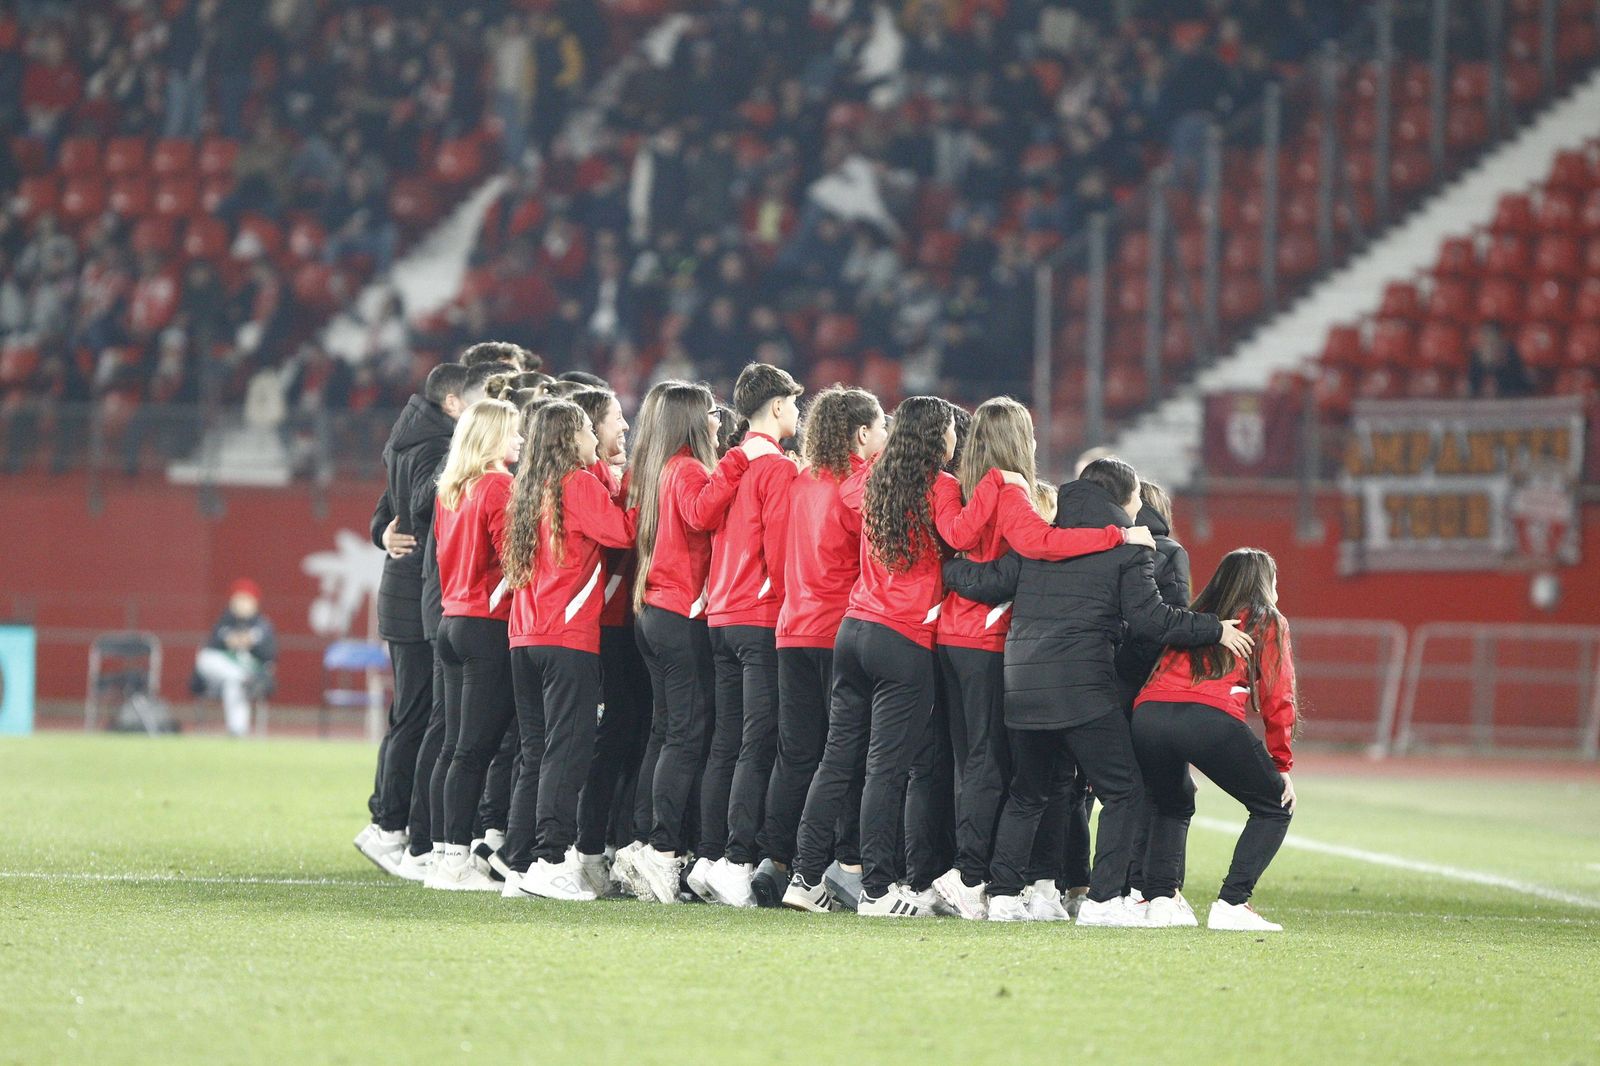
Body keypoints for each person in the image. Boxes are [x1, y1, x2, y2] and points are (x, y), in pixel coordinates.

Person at [783, 398, 1126, 917]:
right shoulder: (944, 487)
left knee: (838, 760)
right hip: (905, 635)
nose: (953, 441)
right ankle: (880, 889)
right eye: (947, 431)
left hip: (854, 628)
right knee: (892, 768)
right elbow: (962, 535)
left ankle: (805, 875)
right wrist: (999, 483)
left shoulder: (872, 481)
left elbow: (847, 494)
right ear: (935, 439)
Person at [941, 457, 1253, 925]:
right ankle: (1104, 900)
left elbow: (984, 582)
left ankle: (1004, 895)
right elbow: (1152, 618)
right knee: (1123, 790)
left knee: (1028, 793)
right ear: (1124, 501)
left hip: (1022, 687)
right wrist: (1213, 629)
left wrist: (945, 567)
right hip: (1082, 689)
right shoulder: (1128, 549)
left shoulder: (1039, 543)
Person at [931, 397, 1141, 922]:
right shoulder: (1008, 488)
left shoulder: (964, 489)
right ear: (1018, 439)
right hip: (987, 641)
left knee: (970, 763)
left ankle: (977, 874)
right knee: (990, 767)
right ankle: (969, 876)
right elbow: (1040, 544)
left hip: (951, 634)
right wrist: (1116, 536)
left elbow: (956, 544)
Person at [612, 383, 774, 904]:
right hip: (678, 614)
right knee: (684, 736)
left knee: (665, 734)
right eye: (708, 413)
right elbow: (702, 513)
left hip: (655, 610)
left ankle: (646, 843)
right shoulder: (685, 468)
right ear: (689, 421)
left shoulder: (659, 468)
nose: (715, 419)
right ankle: (661, 852)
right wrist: (739, 459)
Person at [752, 386, 887, 908]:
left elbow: (777, 553)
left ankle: (777, 861)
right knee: (845, 754)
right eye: (878, 429)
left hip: (792, 629)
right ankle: (841, 864)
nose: (883, 437)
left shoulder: (800, 481)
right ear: (860, 433)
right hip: (837, 630)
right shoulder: (859, 487)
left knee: (796, 754)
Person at [500, 401, 637, 901]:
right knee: (568, 749)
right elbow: (622, 532)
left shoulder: (528, 487)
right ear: (569, 439)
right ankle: (552, 859)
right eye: (585, 429)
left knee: (535, 751)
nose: (592, 437)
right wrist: (643, 495)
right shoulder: (577, 484)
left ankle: (521, 863)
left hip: (525, 636)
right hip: (566, 639)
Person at [1133, 547, 1298, 932]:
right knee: (1275, 806)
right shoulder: (1266, 619)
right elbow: (1280, 695)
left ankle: (1160, 900)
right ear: (1265, 582)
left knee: (1171, 802)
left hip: (1148, 714)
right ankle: (1232, 903)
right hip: (1205, 717)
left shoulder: (1194, 616)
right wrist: (1281, 763)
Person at [353, 361, 467, 876]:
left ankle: (388, 823)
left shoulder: (411, 436)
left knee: (413, 714)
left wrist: (382, 533)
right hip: (414, 594)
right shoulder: (434, 445)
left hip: (405, 590)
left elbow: (388, 510)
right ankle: (391, 825)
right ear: (453, 402)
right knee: (417, 716)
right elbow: (415, 504)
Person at [698, 364, 803, 908]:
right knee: (759, 744)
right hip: (761, 616)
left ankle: (711, 856)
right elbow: (783, 551)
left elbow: (700, 515)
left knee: (727, 742)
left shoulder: (731, 463)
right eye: (794, 403)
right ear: (779, 407)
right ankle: (738, 862)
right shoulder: (778, 470)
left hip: (721, 615)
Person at [424, 399, 525, 892]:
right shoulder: (499, 486)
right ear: (490, 438)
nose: (520, 441)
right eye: (512, 433)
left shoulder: (451, 490)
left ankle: (444, 854)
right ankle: (457, 861)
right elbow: (514, 560)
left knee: (454, 749)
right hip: (487, 624)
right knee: (474, 751)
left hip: (452, 621)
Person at [1111, 479, 1191, 902]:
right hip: (1148, 687)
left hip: (1107, 680)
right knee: (1167, 789)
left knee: (1114, 787)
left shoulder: (1109, 543)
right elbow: (1171, 622)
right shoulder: (1171, 553)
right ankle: (1154, 886)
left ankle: (1105, 882)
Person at [193, 579, 277, 737]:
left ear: (254, 603)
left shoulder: (262, 625)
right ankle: (242, 678)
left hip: (251, 675)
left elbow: (269, 655)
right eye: (238, 600)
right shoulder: (224, 622)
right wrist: (234, 641)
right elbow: (213, 646)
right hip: (219, 676)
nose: (241, 604)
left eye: (246, 600)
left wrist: (245, 642)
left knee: (234, 683)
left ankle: (237, 732)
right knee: (205, 658)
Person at [1467, 322, 1533, 399]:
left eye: (1492, 338)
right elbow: (1473, 382)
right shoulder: (1476, 356)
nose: (1489, 342)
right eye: (1485, 337)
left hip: (1510, 401)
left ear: (1500, 339)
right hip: (1483, 404)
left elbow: (1519, 382)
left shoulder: (1510, 354)